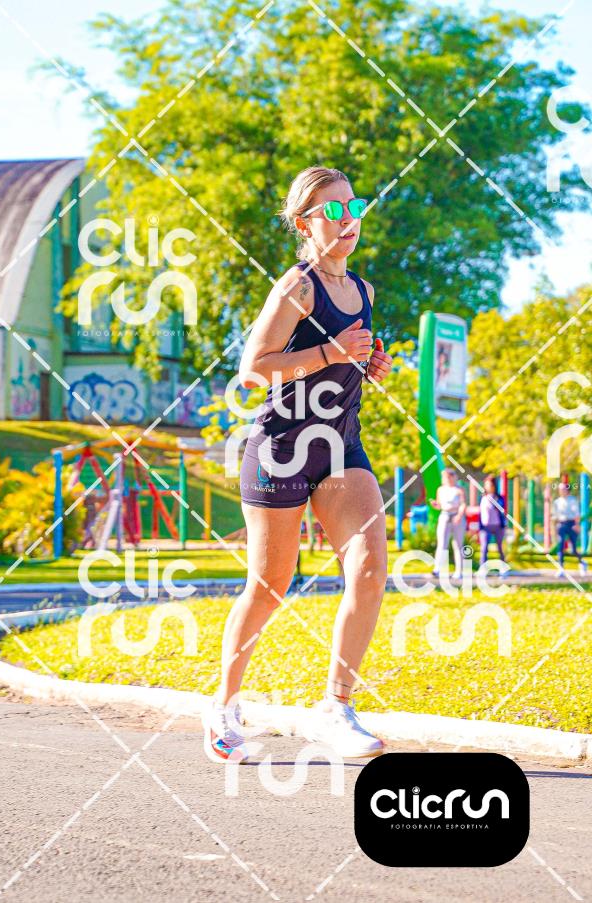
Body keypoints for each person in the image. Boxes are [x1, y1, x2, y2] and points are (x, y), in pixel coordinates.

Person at [202, 165, 393, 764]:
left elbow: (338, 366)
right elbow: (253, 369)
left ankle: (336, 707)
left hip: (340, 447)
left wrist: (365, 365)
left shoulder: (363, 291)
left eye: (354, 206)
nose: (348, 219)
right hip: (281, 447)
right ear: (305, 224)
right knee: (269, 586)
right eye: (333, 210)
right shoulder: (297, 286)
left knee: (369, 569)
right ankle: (224, 707)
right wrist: (331, 352)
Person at [430, 468, 467, 579]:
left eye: (448, 476)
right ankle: (437, 569)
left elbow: (463, 504)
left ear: (453, 477)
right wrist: (435, 505)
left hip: (456, 517)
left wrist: (459, 516)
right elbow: (440, 505)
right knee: (442, 544)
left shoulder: (459, 489)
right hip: (444, 516)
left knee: (458, 545)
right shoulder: (440, 489)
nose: (446, 479)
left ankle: (459, 571)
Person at [551, 482, 588, 578]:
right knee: (561, 545)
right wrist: (554, 525)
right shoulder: (557, 502)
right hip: (561, 524)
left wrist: (577, 525)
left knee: (573, 549)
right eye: (560, 489)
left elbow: (577, 514)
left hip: (571, 524)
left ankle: (582, 563)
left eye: (563, 489)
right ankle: (561, 568)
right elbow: (555, 515)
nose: (561, 491)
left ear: (567, 490)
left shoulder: (573, 500)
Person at [479, 476, 507, 566]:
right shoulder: (482, 498)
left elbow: (501, 509)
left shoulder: (499, 498)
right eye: (486, 485)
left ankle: (503, 566)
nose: (488, 487)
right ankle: (483, 566)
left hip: (497, 525)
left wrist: (494, 503)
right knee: (484, 547)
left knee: (500, 547)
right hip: (485, 526)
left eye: (490, 485)